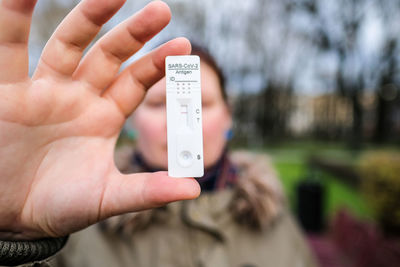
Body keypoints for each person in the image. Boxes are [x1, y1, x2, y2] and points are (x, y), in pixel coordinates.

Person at [0, 1, 317, 266]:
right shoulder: (73, 222)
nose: (176, 120)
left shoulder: (276, 219)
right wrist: (17, 238)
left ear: (228, 118)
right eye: (157, 104)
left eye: (200, 104)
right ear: (134, 120)